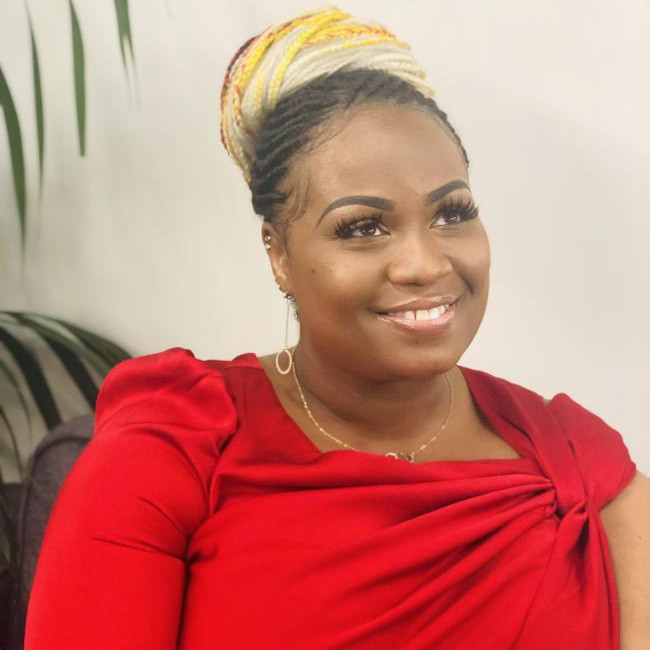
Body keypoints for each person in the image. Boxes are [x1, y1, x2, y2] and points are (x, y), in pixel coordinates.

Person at [23, 6, 649, 650]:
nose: (425, 263)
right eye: (363, 227)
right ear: (279, 254)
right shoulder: (175, 445)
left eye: (452, 214)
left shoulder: (574, 462)